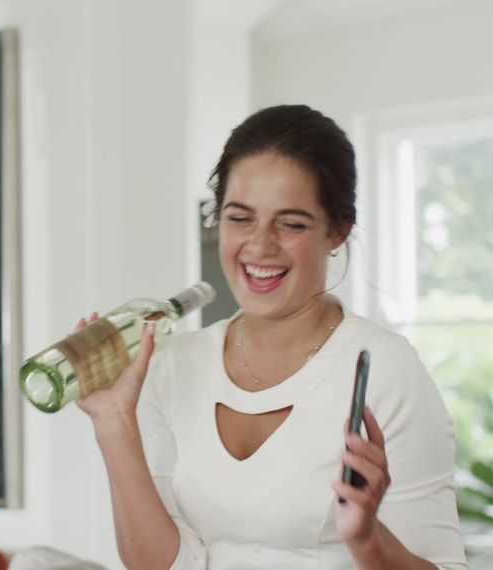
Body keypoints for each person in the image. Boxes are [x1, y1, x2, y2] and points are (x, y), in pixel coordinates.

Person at [79, 105, 467, 569]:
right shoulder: (174, 363)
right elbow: (162, 565)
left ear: (337, 230)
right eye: (240, 218)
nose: (260, 245)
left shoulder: (387, 368)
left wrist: (367, 539)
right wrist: (113, 421)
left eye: (291, 223)